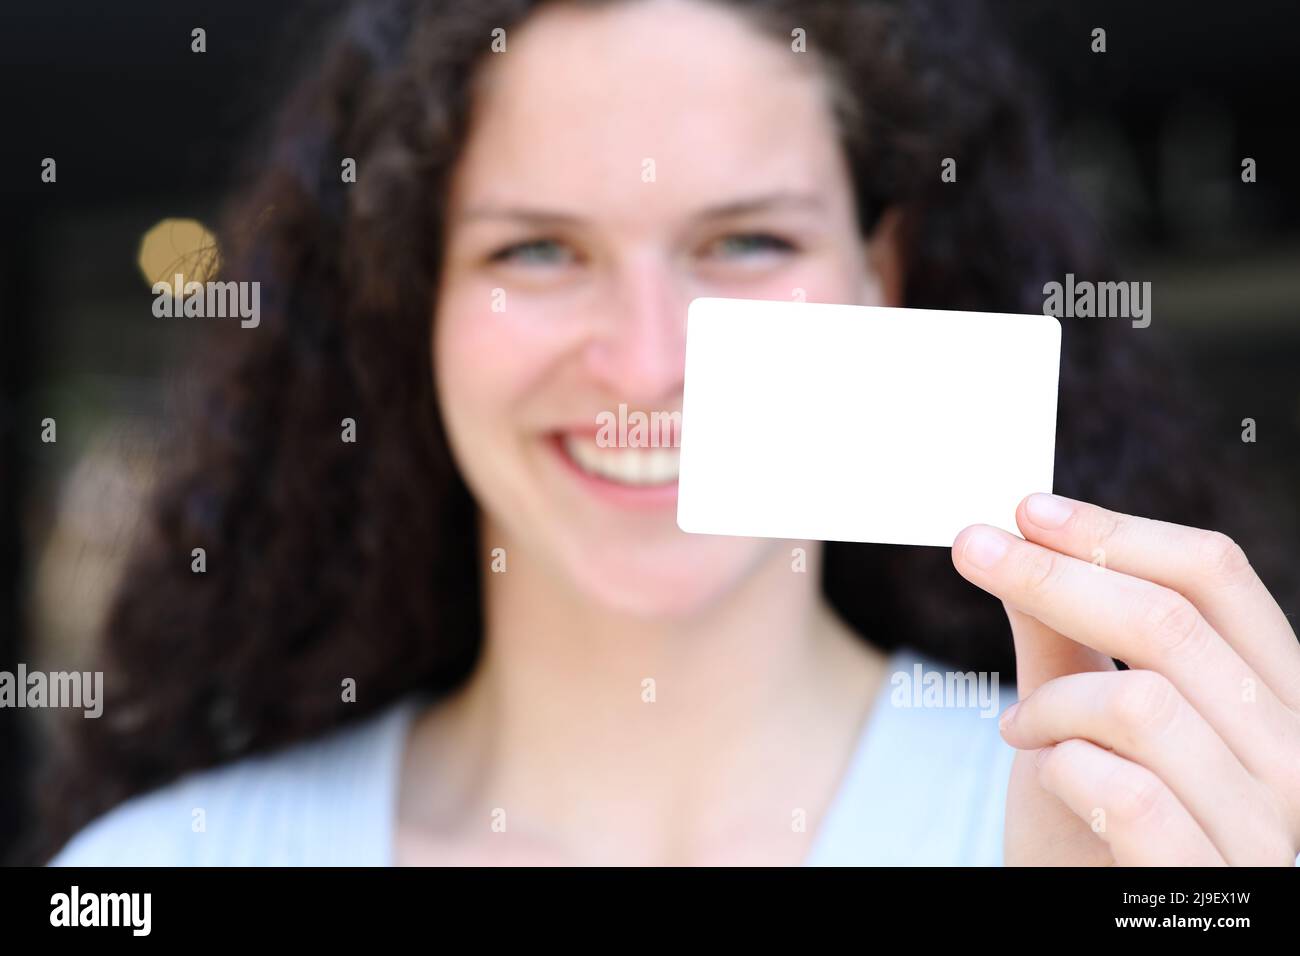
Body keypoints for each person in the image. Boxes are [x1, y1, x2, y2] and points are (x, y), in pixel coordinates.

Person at [42, 0, 1300, 866]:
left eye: (745, 241)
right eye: (536, 249)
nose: (648, 359)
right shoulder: (162, 867)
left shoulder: (1159, 824)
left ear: (882, 272)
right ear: (411, 299)